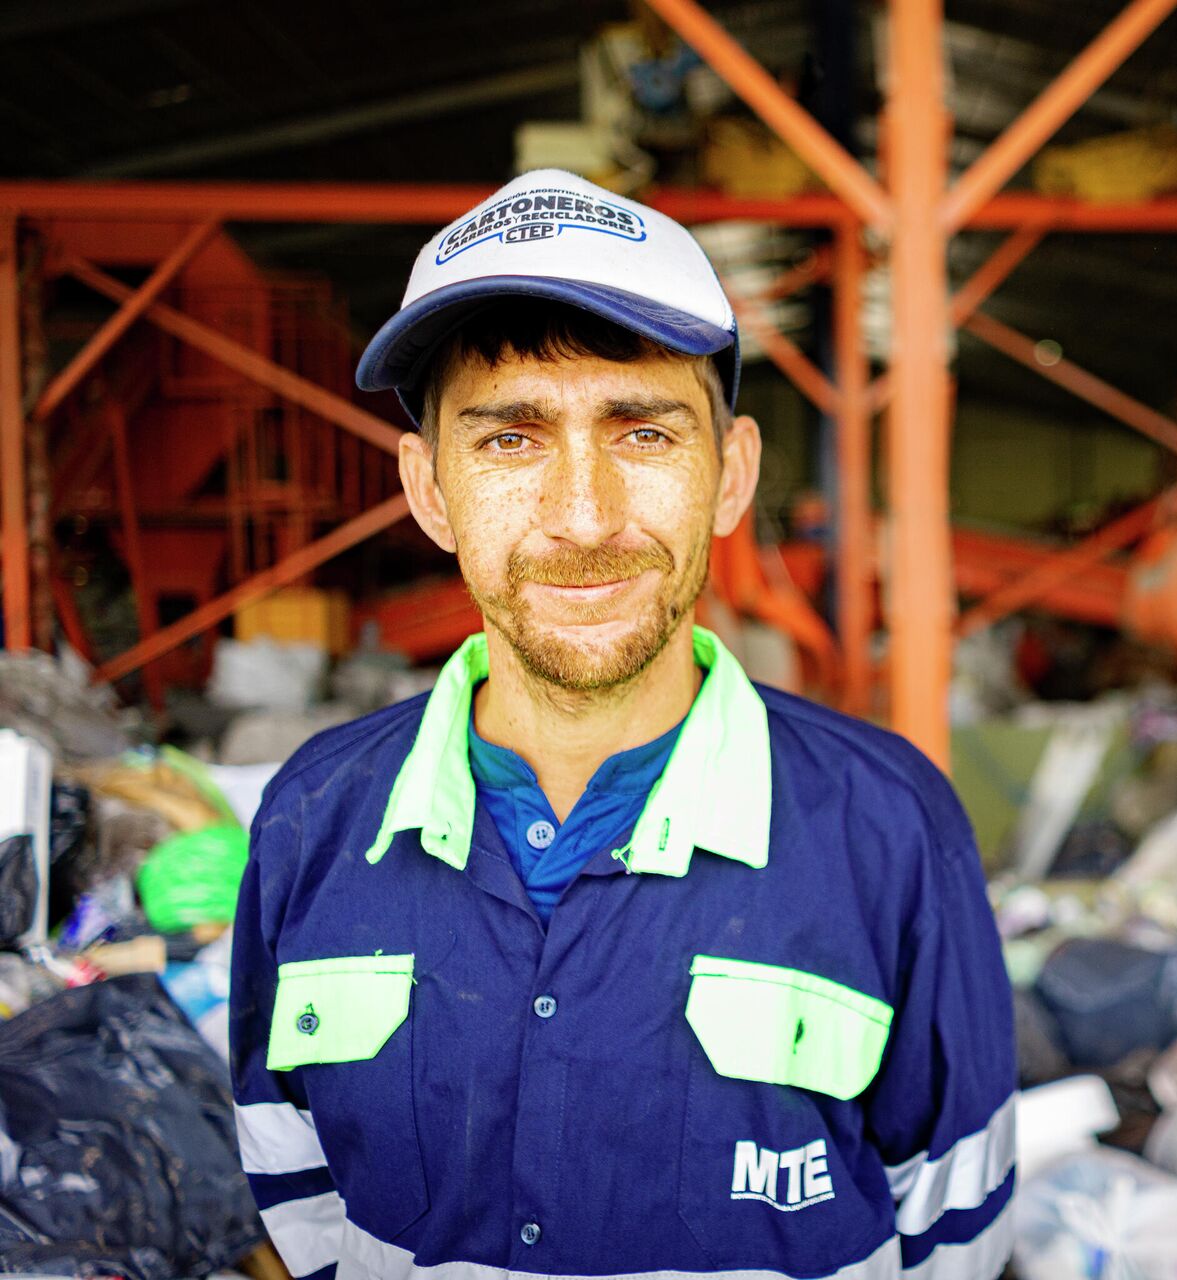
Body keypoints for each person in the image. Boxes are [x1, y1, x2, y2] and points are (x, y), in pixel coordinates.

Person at [228, 169, 1015, 1280]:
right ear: (429, 488)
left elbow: (955, 1231)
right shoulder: (314, 815)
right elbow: (296, 1186)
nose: (584, 516)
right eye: (510, 439)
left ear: (730, 475)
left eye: (642, 432)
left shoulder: (888, 826)